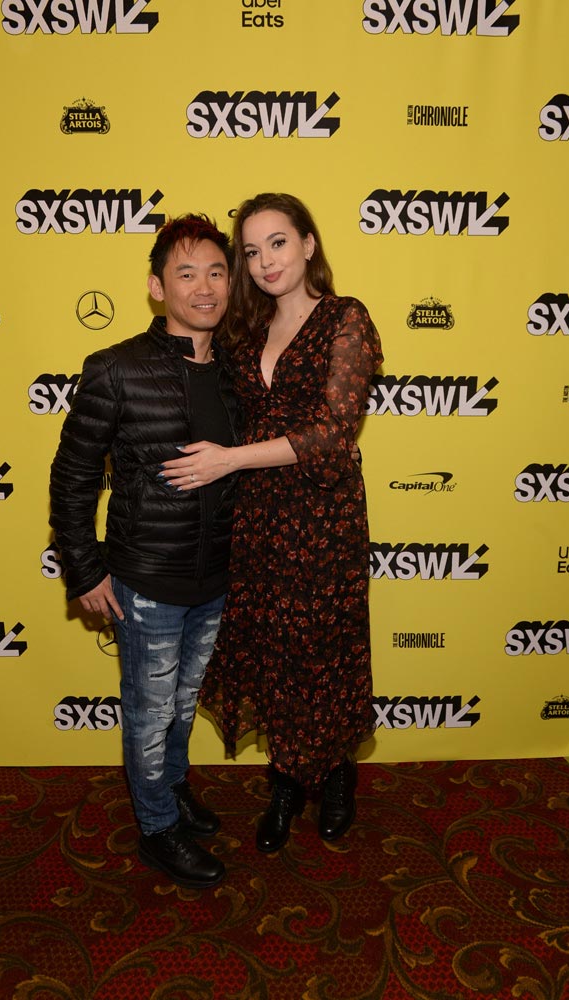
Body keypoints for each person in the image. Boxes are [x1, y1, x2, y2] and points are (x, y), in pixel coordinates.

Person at [161, 192, 382, 853]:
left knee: (324, 649)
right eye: (251, 252)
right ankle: (285, 782)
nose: (265, 261)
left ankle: (335, 773)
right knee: (274, 650)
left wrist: (228, 459)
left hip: (323, 518)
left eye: (277, 243)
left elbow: (332, 434)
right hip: (258, 518)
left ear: (308, 244)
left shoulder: (345, 318)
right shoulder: (244, 332)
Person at [49, 214, 241, 888]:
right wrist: (84, 570)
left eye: (216, 272)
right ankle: (157, 829)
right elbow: (73, 475)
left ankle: (173, 789)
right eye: (186, 273)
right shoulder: (117, 368)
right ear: (158, 288)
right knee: (150, 711)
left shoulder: (238, 370)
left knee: (184, 705)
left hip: (215, 579)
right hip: (147, 580)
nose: (204, 287)